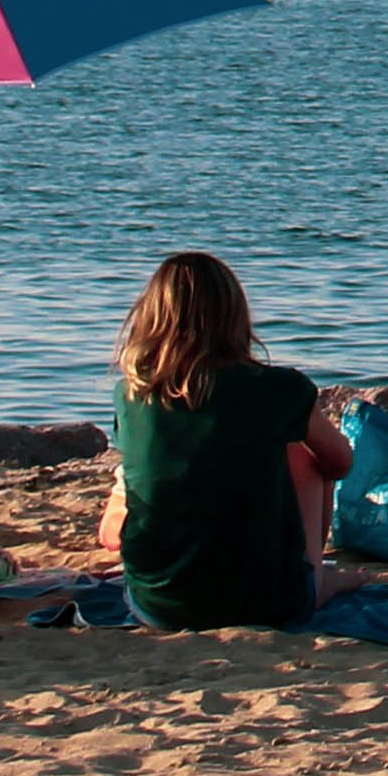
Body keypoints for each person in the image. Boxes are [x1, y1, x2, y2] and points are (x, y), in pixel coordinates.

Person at [103, 250, 350, 630]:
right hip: (270, 605)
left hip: (158, 606)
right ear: (236, 316)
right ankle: (316, 577)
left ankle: (315, 578)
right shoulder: (280, 389)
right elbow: (340, 463)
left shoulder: (131, 393)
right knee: (305, 458)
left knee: (140, 473)